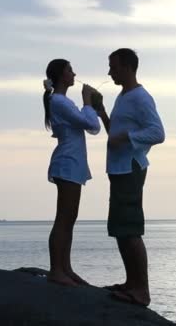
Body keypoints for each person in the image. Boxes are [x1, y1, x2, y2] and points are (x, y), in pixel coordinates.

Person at [94, 48, 165, 306]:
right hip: (118, 169)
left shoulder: (140, 97)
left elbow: (158, 133)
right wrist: (102, 112)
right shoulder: (123, 96)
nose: (109, 71)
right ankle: (131, 283)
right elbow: (114, 133)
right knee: (121, 229)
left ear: (126, 67)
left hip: (131, 168)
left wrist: (127, 138)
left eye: (112, 66)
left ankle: (141, 291)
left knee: (131, 230)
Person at [43, 59, 101, 286]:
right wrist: (88, 102)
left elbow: (88, 124)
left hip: (71, 163)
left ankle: (65, 267)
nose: (74, 73)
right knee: (64, 218)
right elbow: (92, 126)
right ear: (60, 75)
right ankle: (57, 269)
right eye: (69, 70)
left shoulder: (62, 101)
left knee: (69, 218)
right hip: (67, 163)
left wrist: (88, 107)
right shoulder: (59, 101)